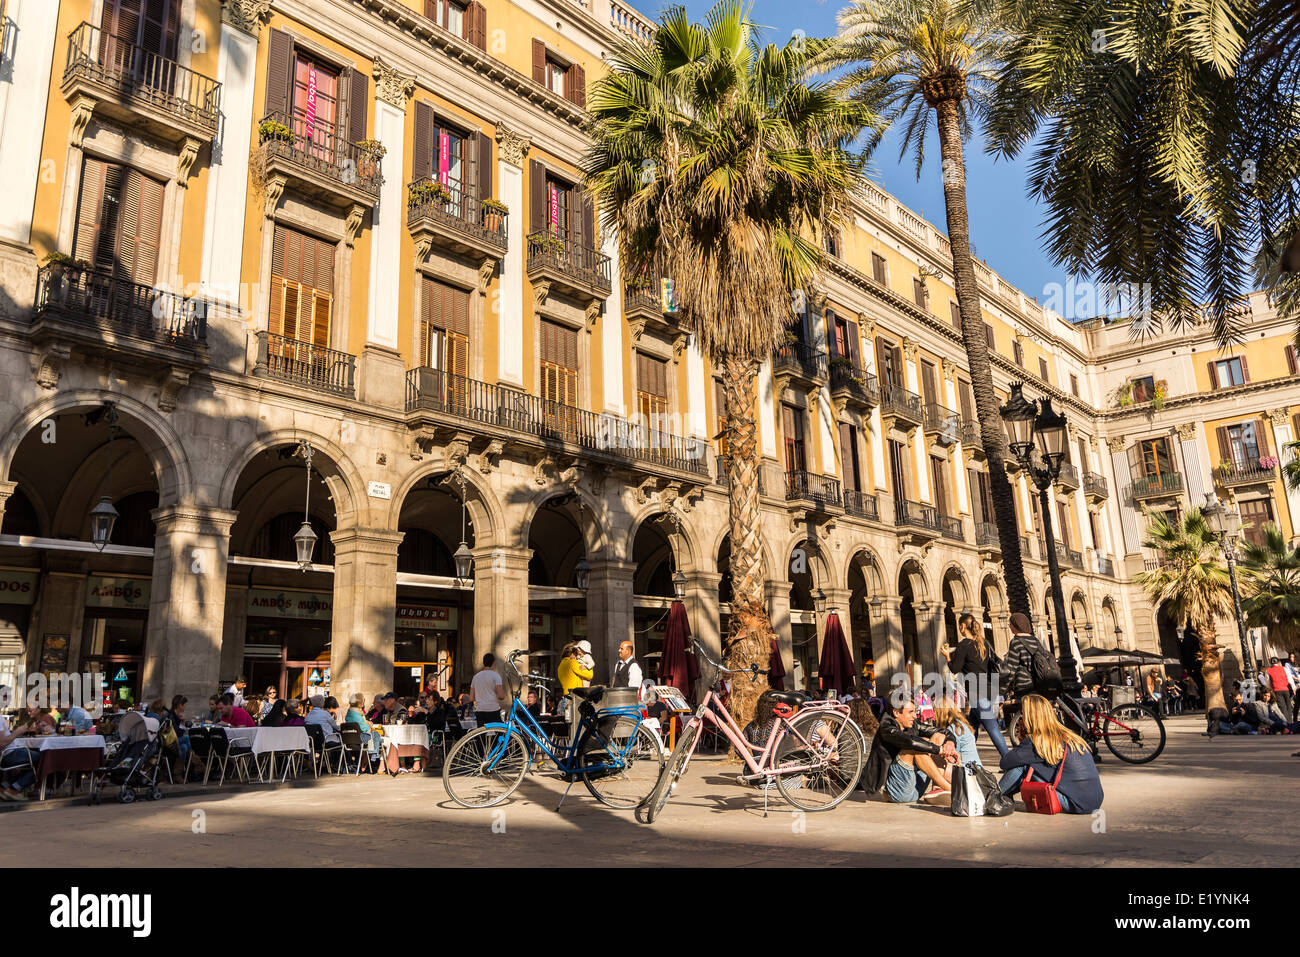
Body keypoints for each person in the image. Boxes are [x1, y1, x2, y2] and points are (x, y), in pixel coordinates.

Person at [998, 694, 1103, 813]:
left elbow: (1005, 762)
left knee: (1022, 766)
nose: (1021, 718)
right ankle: (1000, 795)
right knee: (1027, 763)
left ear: (1029, 717)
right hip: (1094, 801)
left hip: (1074, 803)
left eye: (1022, 714)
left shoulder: (1037, 742)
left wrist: (1023, 743)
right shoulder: (1069, 736)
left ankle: (993, 797)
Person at [868, 698, 958, 803]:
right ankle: (948, 788)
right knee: (915, 747)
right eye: (910, 712)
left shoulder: (914, 725)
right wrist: (939, 750)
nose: (915, 716)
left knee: (939, 736)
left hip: (916, 787)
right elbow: (911, 742)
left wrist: (950, 744)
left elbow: (943, 731)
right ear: (896, 712)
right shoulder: (886, 728)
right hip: (897, 792)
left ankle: (937, 789)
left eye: (915, 712)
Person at [942, 611, 1007, 754]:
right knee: (971, 726)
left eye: (960, 626)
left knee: (992, 728)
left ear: (963, 626)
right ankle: (963, 754)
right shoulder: (983, 643)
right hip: (990, 689)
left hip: (978, 692)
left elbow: (955, 668)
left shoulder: (964, 645)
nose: (959, 628)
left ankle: (1010, 762)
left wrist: (947, 656)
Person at [933, 698, 980, 767]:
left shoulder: (954, 729)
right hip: (975, 766)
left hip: (966, 770)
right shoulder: (960, 724)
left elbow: (951, 754)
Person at [470, 653, 507, 729]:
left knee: (481, 734)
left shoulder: (476, 677)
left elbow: (471, 698)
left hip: (480, 709)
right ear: (493, 663)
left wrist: (480, 697)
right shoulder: (496, 676)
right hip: (493, 709)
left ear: (484, 663)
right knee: (499, 732)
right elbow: (501, 696)